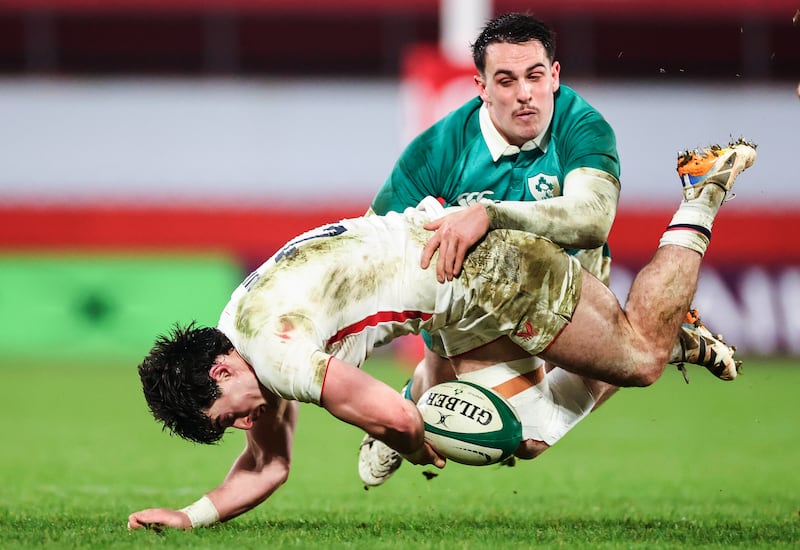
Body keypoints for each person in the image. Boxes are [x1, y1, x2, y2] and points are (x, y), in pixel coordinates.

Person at [127, 138, 755, 530]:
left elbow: (393, 419)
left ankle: (698, 200)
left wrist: (418, 445)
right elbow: (267, 466)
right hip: (446, 296)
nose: (242, 426)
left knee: (634, 359)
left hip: (488, 269)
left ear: (220, 372)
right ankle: (672, 338)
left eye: (225, 418)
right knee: (519, 433)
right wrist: (189, 516)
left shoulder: (273, 351)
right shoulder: (238, 334)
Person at [358, 12, 740, 486]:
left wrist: (490, 213)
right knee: (452, 408)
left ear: (554, 75)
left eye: (536, 76)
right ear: (480, 86)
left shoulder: (582, 125)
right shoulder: (437, 150)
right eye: (506, 80)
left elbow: (593, 217)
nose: (525, 93)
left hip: (572, 291)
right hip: (473, 307)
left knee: (529, 435)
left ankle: (681, 271)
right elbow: (370, 252)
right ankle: (671, 338)